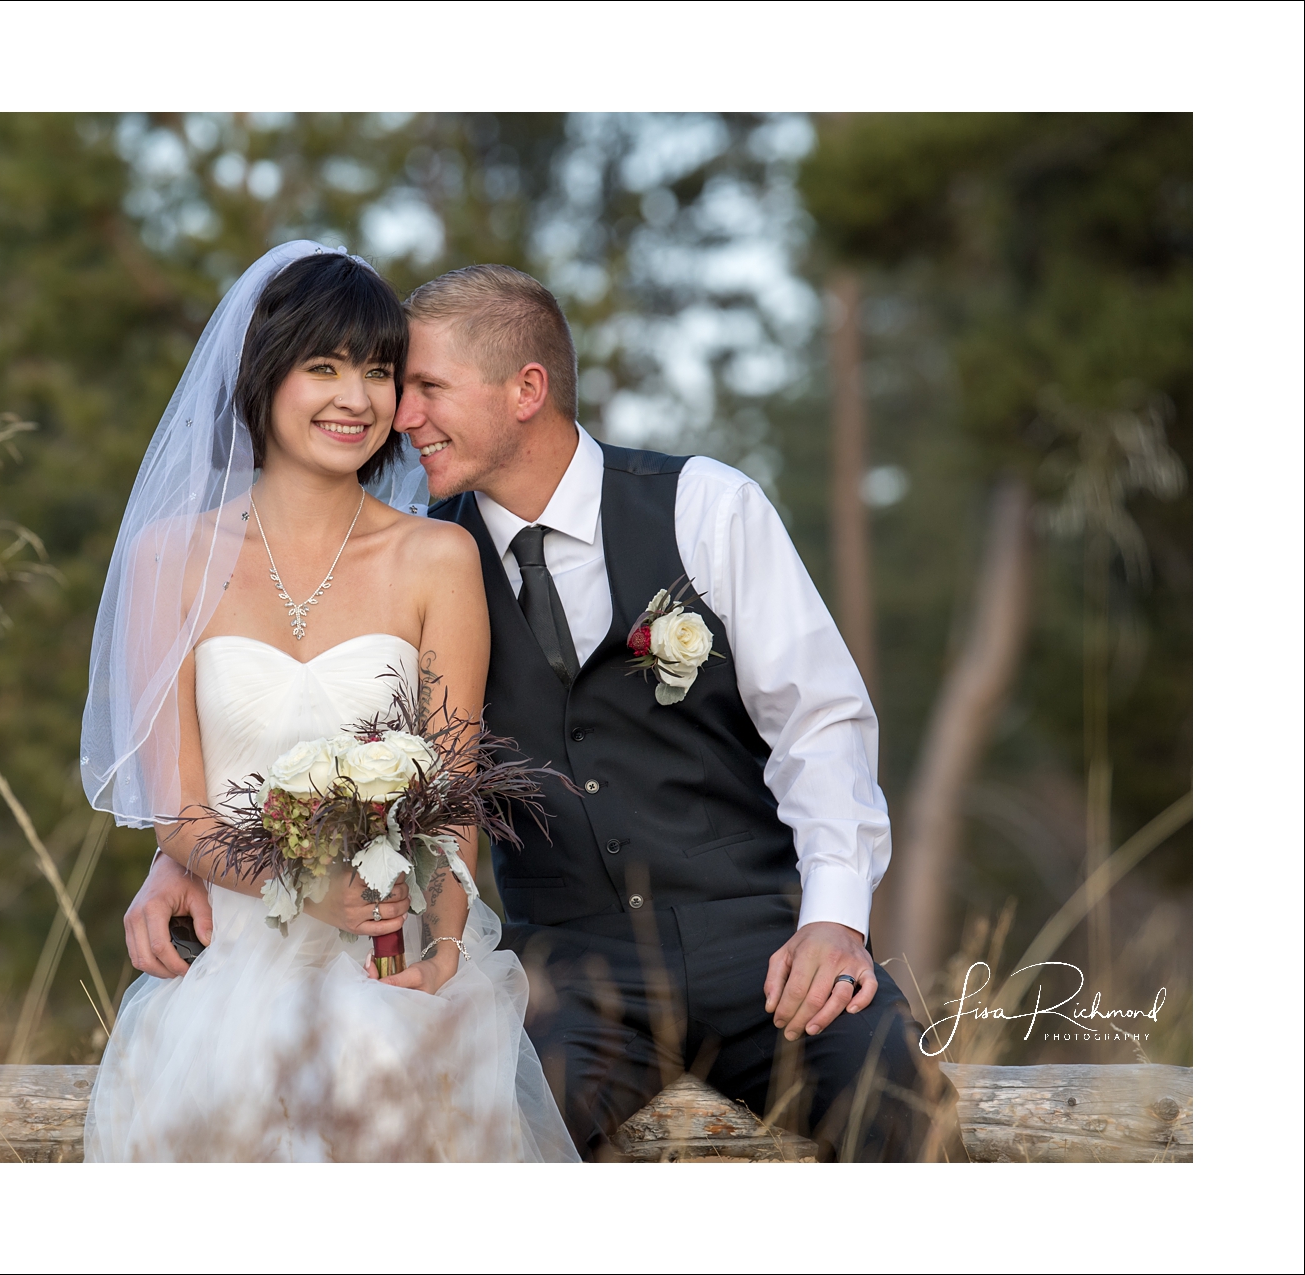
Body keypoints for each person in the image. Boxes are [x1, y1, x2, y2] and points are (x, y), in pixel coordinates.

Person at [126, 261, 942, 1162]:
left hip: (760, 940)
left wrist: (834, 916)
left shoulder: (705, 506)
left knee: (908, 1116)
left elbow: (819, 722)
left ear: (527, 389)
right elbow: (313, 741)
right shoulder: (441, 551)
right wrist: (188, 857)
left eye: (419, 384)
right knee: (472, 1134)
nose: (399, 415)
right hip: (566, 973)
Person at [80, 242, 577, 1162]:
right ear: (265, 376)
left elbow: (455, 785)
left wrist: (450, 944)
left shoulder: (437, 558)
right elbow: (181, 813)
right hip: (236, 973)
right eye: (325, 367)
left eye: (379, 372)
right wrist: (303, 887)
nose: (357, 398)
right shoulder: (168, 560)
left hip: (395, 961)